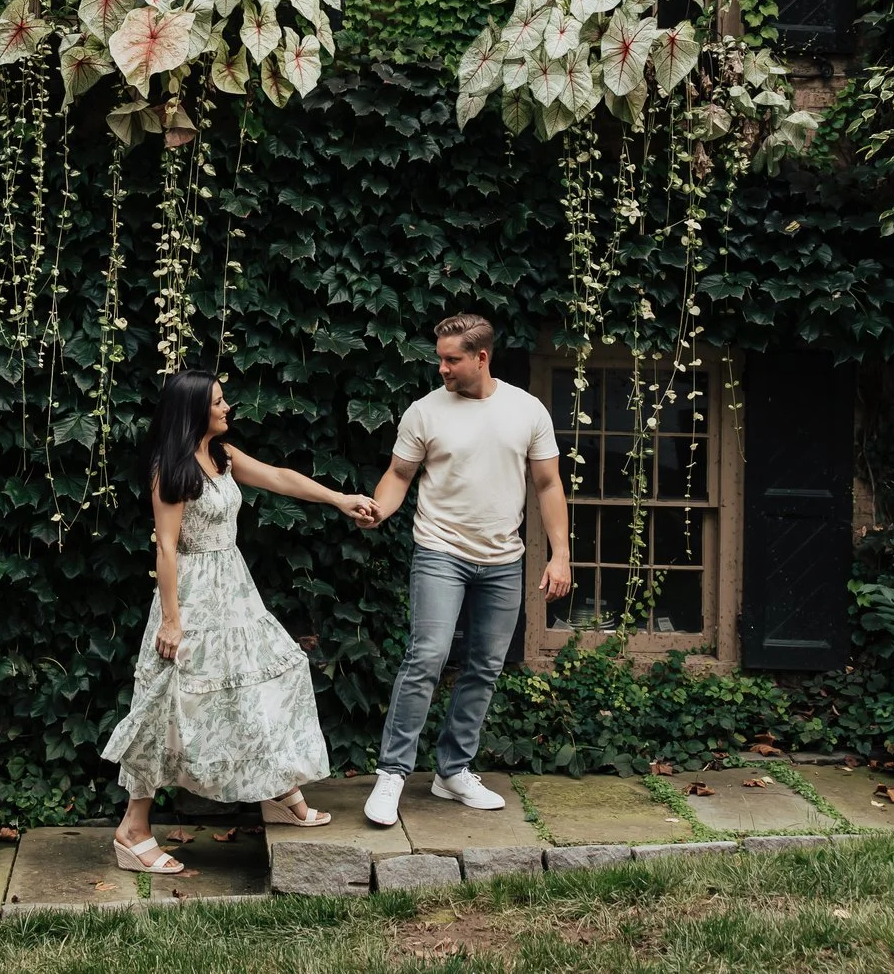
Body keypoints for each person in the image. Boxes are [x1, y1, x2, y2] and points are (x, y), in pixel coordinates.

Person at [100, 369, 382, 873]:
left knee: (272, 678)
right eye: (218, 402)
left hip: (235, 591)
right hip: (192, 597)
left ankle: (277, 789)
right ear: (193, 413)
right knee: (166, 706)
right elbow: (166, 545)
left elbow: (277, 476)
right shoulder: (173, 468)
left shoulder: (222, 456)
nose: (228, 407)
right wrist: (170, 620)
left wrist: (339, 500)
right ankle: (132, 829)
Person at [360, 313, 571, 827]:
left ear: (482, 356)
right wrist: (379, 508)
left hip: (504, 560)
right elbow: (398, 474)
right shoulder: (424, 413)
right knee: (427, 655)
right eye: (440, 358)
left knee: (484, 666)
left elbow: (547, 485)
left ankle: (452, 771)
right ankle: (392, 773)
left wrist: (560, 554)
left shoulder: (527, 410)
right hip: (440, 552)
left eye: (451, 359)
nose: (442, 368)